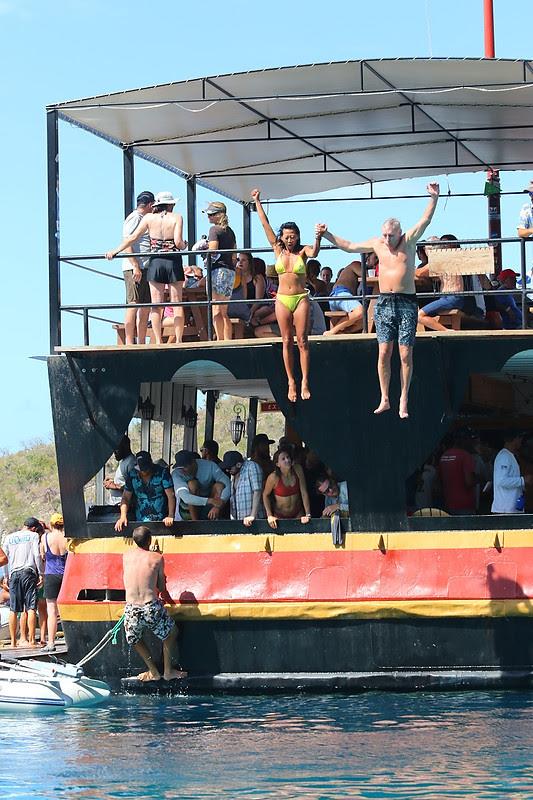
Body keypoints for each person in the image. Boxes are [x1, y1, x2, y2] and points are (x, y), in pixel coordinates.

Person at [316, 182, 440, 418]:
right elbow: (350, 246)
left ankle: (403, 397)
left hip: (406, 302)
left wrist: (433, 198)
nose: (386, 239)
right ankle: (385, 397)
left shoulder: (409, 240)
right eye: (384, 234)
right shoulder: (377, 244)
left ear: (399, 233)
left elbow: (425, 221)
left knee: (405, 354)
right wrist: (327, 234)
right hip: (384, 302)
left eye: (390, 235)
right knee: (384, 352)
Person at [251, 188, 321, 402]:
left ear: (298, 236)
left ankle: (305, 380)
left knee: (302, 340)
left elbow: (315, 252)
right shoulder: (278, 251)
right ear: (282, 237)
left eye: (293, 236)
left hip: (300, 298)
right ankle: (291, 381)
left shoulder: (303, 251)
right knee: (286, 340)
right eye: (286, 236)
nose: (290, 239)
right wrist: (257, 202)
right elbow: (265, 225)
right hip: (282, 298)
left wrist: (318, 237)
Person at [106, 191, 187, 344]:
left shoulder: (149, 218)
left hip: (155, 262)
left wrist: (115, 251)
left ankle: (157, 340)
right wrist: (185, 245)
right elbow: (178, 243)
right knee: (177, 303)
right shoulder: (177, 217)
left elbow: (132, 237)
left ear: (156, 204)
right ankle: (178, 340)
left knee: (155, 305)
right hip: (173, 260)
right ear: (171, 205)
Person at [122, 525, 186, 682]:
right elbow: (161, 587)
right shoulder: (157, 558)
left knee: (134, 639)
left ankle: (153, 672)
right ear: (150, 540)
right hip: (150, 606)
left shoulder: (126, 556)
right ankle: (168, 671)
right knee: (171, 633)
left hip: (131, 608)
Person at [0, 517, 44, 648]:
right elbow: (36, 555)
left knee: (13, 608)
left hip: (14, 573)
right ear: (34, 528)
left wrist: (7, 576)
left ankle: (13, 642)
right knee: (30, 607)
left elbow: (5, 559)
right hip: (28, 572)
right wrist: (41, 573)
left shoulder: (9, 537)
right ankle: (31, 640)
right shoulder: (33, 536)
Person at [118, 190, 154, 345]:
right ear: (150, 204)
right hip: (135, 267)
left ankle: (140, 340)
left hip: (145, 266)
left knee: (145, 306)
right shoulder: (134, 218)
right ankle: (129, 341)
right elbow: (128, 243)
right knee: (133, 303)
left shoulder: (144, 218)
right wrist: (135, 266)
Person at [115, 451, 176, 532]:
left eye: (146, 468)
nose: (144, 472)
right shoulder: (132, 474)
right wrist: (123, 516)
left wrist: (170, 516)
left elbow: (171, 495)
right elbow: (126, 497)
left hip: (161, 522)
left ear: (151, 463)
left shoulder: (162, 473)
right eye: (142, 469)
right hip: (140, 521)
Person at [203, 201, 237, 341]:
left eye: (211, 214)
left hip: (218, 271)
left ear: (218, 215)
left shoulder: (214, 230)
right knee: (224, 311)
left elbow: (213, 249)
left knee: (216, 308)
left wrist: (204, 250)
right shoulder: (230, 231)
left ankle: (220, 340)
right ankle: (227, 339)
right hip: (230, 272)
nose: (208, 217)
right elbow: (234, 256)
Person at [171, 450, 230, 520]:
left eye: (185, 466)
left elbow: (228, 484)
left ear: (193, 462)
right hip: (187, 511)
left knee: (219, 485)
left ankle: (212, 520)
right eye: (180, 467)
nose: (182, 470)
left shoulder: (210, 466)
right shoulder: (176, 474)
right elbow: (186, 498)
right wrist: (211, 501)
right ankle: (195, 524)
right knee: (192, 484)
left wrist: (219, 504)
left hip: (209, 505)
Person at [263, 448, 312, 528]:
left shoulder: (298, 469)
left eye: (288, 457)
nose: (287, 460)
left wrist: (308, 514)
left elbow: (304, 492)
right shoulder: (273, 477)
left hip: (298, 513)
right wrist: (269, 515)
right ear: (277, 464)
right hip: (279, 516)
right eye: (283, 459)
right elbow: (265, 495)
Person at [39, 512, 68, 652]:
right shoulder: (68, 538)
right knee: (67, 610)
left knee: (52, 610)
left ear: (51, 524)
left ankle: (51, 643)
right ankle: (70, 640)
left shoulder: (45, 538)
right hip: (67, 576)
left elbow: (42, 555)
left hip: (51, 575)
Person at [438, 431, 478, 515]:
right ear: (464, 440)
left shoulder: (444, 456)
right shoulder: (465, 456)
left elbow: (438, 482)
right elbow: (469, 481)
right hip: (465, 505)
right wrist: (478, 479)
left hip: (448, 504)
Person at [492, 431, 532, 514]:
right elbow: (501, 481)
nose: (521, 441)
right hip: (505, 509)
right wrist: (523, 480)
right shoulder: (504, 456)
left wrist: (523, 484)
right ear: (515, 439)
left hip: (512, 507)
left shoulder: (511, 456)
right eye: (520, 438)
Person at [222, 450, 264, 525]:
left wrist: (252, 516)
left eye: (229, 468)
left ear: (238, 464)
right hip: (239, 520)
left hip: (255, 521)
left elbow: (257, 491)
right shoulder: (234, 474)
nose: (227, 470)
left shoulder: (252, 467)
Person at [325, 260, 364, 335]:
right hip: (341, 293)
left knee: (366, 320)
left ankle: (341, 332)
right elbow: (366, 276)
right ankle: (333, 331)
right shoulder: (355, 264)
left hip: (336, 296)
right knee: (360, 311)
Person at [104, 435, 136, 505]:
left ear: (125, 447)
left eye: (117, 449)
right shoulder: (124, 460)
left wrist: (115, 486)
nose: (114, 452)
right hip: (116, 505)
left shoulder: (131, 462)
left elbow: (135, 487)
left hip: (123, 506)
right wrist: (112, 481)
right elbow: (125, 480)